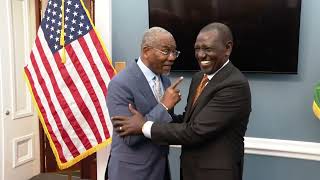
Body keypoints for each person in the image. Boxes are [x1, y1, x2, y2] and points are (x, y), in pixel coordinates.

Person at [112, 22, 252, 180]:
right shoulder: (199, 78)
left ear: (227, 48)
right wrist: (162, 109)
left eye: (207, 49)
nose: (200, 55)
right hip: (144, 172)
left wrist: (144, 125)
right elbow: (187, 120)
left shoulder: (234, 84)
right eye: (197, 49)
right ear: (146, 51)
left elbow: (195, 131)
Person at [105, 27, 183, 180]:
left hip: (161, 170)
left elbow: (162, 127)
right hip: (132, 173)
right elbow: (129, 136)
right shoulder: (120, 84)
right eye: (166, 51)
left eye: (175, 52)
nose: (172, 57)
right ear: (146, 51)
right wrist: (164, 106)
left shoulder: (165, 80)